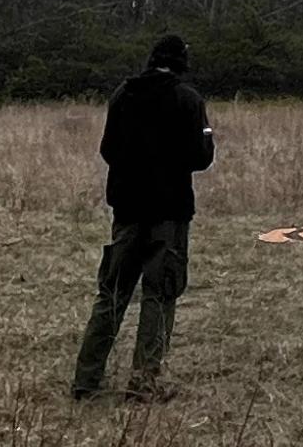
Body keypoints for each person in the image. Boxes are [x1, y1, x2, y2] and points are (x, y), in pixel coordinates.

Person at [71, 33, 214, 402]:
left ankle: (86, 378)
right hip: (169, 213)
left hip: (128, 210)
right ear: (182, 61)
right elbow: (201, 157)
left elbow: (107, 149)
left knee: (112, 294)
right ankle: (144, 383)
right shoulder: (188, 98)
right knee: (160, 295)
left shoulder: (124, 94)